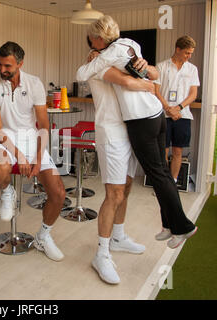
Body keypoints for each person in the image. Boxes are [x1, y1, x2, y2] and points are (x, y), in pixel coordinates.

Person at [76, 16, 197, 252]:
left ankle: (182, 226)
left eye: (91, 39)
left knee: (157, 175)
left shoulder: (108, 56)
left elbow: (82, 74)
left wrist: (98, 59)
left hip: (141, 119)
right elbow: (152, 75)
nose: (89, 43)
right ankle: (168, 225)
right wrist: (148, 77)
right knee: (161, 172)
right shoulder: (130, 44)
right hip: (155, 114)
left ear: (98, 38)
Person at [77, 37, 155, 284]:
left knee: (127, 187)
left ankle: (119, 237)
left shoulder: (118, 60)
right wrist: (150, 85)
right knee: (114, 194)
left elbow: (150, 72)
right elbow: (132, 83)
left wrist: (146, 69)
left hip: (130, 129)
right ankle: (101, 254)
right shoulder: (99, 65)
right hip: (111, 133)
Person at [0, 41, 66, 261]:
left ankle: (43, 236)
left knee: (58, 194)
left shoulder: (34, 84)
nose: (2, 70)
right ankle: (7, 192)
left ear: (20, 63)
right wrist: (19, 155)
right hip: (6, 140)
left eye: (7, 66)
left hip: (31, 138)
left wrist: (38, 159)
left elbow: (44, 125)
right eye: (0, 64)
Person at [154, 36, 200, 188]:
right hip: (164, 114)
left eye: (191, 53)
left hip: (183, 115)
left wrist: (178, 108)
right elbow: (156, 91)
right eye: (187, 53)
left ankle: (172, 184)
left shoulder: (192, 69)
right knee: (163, 152)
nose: (189, 56)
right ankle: (163, 185)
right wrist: (168, 108)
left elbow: (193, 94)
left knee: (178, 151)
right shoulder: (161, 67)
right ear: (177, 49)